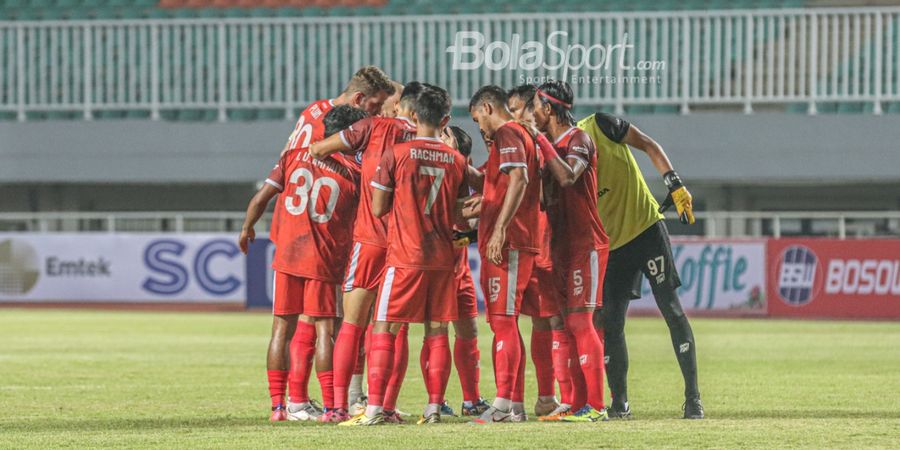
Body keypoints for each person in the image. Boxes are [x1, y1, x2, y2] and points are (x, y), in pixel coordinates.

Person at [340, 85, 469, 426]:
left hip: (405, 255)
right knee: (437, 330)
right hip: (443, 257)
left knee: (384, 327)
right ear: (444, 120)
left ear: (412, 116)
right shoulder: (456, 160)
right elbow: (462, 208)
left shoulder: (396, 154)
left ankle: (374, 409)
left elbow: (378, 206)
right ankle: (433, 408)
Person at [237, 105, 369, 422]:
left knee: (281, 331)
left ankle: (278, 408)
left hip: (288, 255)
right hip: (324, 259)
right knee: (326, 332)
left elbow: (260, 199)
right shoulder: (354, 174)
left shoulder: (293, 155)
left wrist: (247, 228)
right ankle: (330, 408)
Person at [578, 109, 704, 419]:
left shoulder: (599, 125)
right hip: (611, 246)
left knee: (672, 311)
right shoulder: (553, 157)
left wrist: (674, 184)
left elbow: (649, 144)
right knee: (610, 322)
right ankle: (619, 403)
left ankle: (693, 399)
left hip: (647, 230)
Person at [309, 82, 423, 423]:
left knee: (352, 326)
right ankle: (383, 406)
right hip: (407, 245)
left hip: (370, 239)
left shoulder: (371, 126)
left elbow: (318, 149)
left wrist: (353, 166)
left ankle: (339, 407)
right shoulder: (432, 137)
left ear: (399, 104)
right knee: (393, 329)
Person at [532, 80, 609, 422]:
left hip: (583, 242)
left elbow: (568, 178)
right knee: (564, 323)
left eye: (536, 106)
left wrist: (542, 144)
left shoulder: (579, 139)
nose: (533, 113)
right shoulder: (551, 144)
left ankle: (596, 405)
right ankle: (576, 403)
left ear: (548, 109)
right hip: (559, 244)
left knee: (580, 320)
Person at [467, 85, 543, 424]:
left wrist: (499, 228)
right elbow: (493, 182)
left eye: (476, 119)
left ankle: (500, 403)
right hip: (511, 239)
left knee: (503, 322)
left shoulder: (509, 132)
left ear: (487, 107)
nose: (478, 128)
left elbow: (520, 178)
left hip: (510, 241)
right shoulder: (513, 138)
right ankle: (514, 406)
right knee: (506, 322)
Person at [437, 125, 491, 417]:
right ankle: (437, 401)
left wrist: (464, 229)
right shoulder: (432, 172)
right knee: (437, 331)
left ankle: (471, 400)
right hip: (437, 267)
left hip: (459, 266)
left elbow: (465, 232)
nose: (440, 137)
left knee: (468, 330)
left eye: (447, 137)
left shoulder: (467, 181)